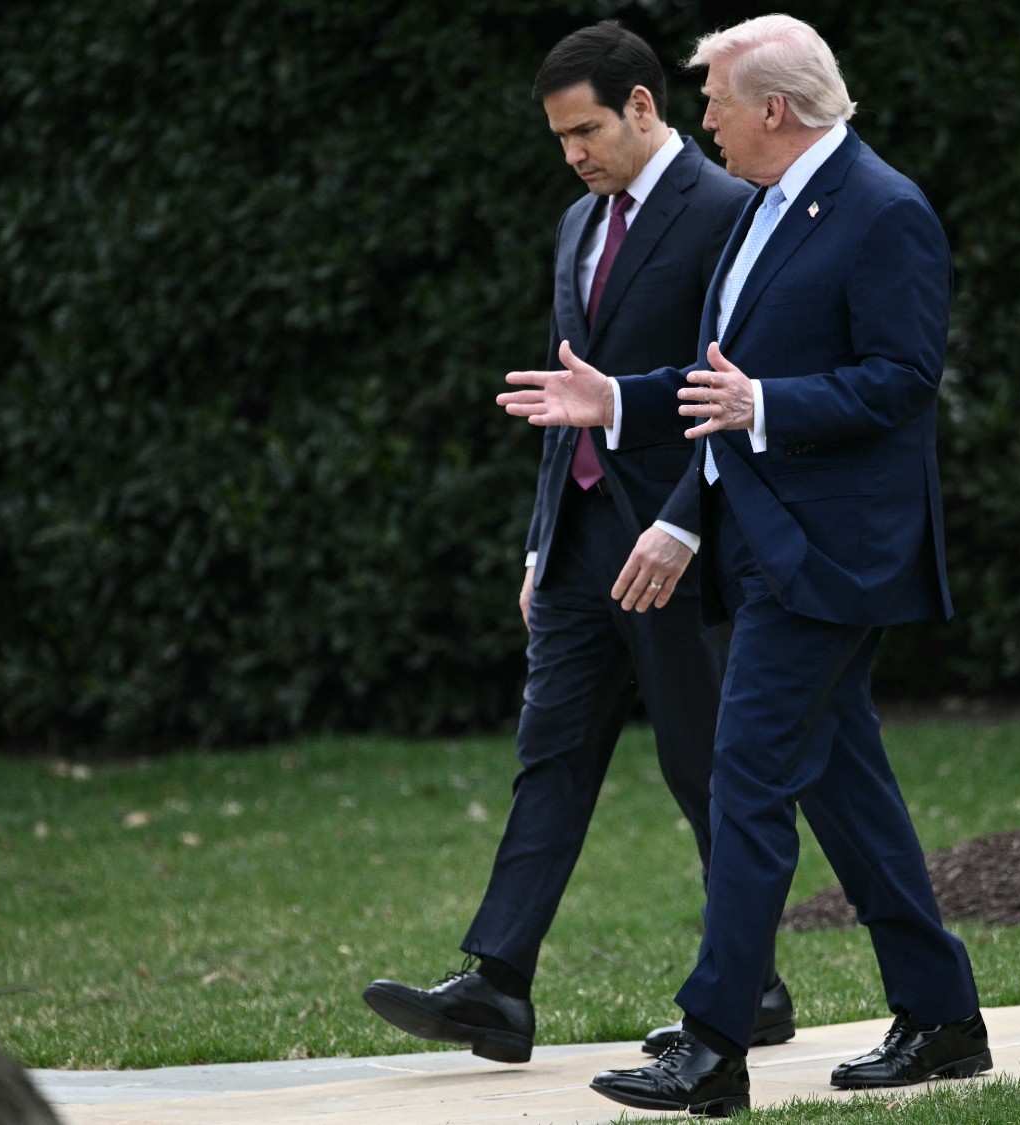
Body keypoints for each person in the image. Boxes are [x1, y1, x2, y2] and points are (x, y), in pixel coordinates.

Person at [497, 13, 988, 1115]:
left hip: (833, 554)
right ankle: (942, 1014)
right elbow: (724, 373)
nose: (700, 115)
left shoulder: (883, 209)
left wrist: (765, 405)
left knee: (747, 773)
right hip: (760, 540)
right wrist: (617, 398)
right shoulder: (767, 206)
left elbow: (902, 380)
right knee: (838, 780)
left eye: (713, 97)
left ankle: (713, 1043)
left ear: (773, 108)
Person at [360, 21, 796, 1065]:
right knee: (546, 758)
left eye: (588, 129)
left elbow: (727, 393)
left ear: (644, 105)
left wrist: (686, 519)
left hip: (678, 544)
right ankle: (496, 986)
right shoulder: (574, 224)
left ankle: (755, 987)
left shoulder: (731, 215)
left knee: (706, 770)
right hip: (574, 547)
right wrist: (536, 542)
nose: (574, 154)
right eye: (559, 138)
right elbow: (570, 395)